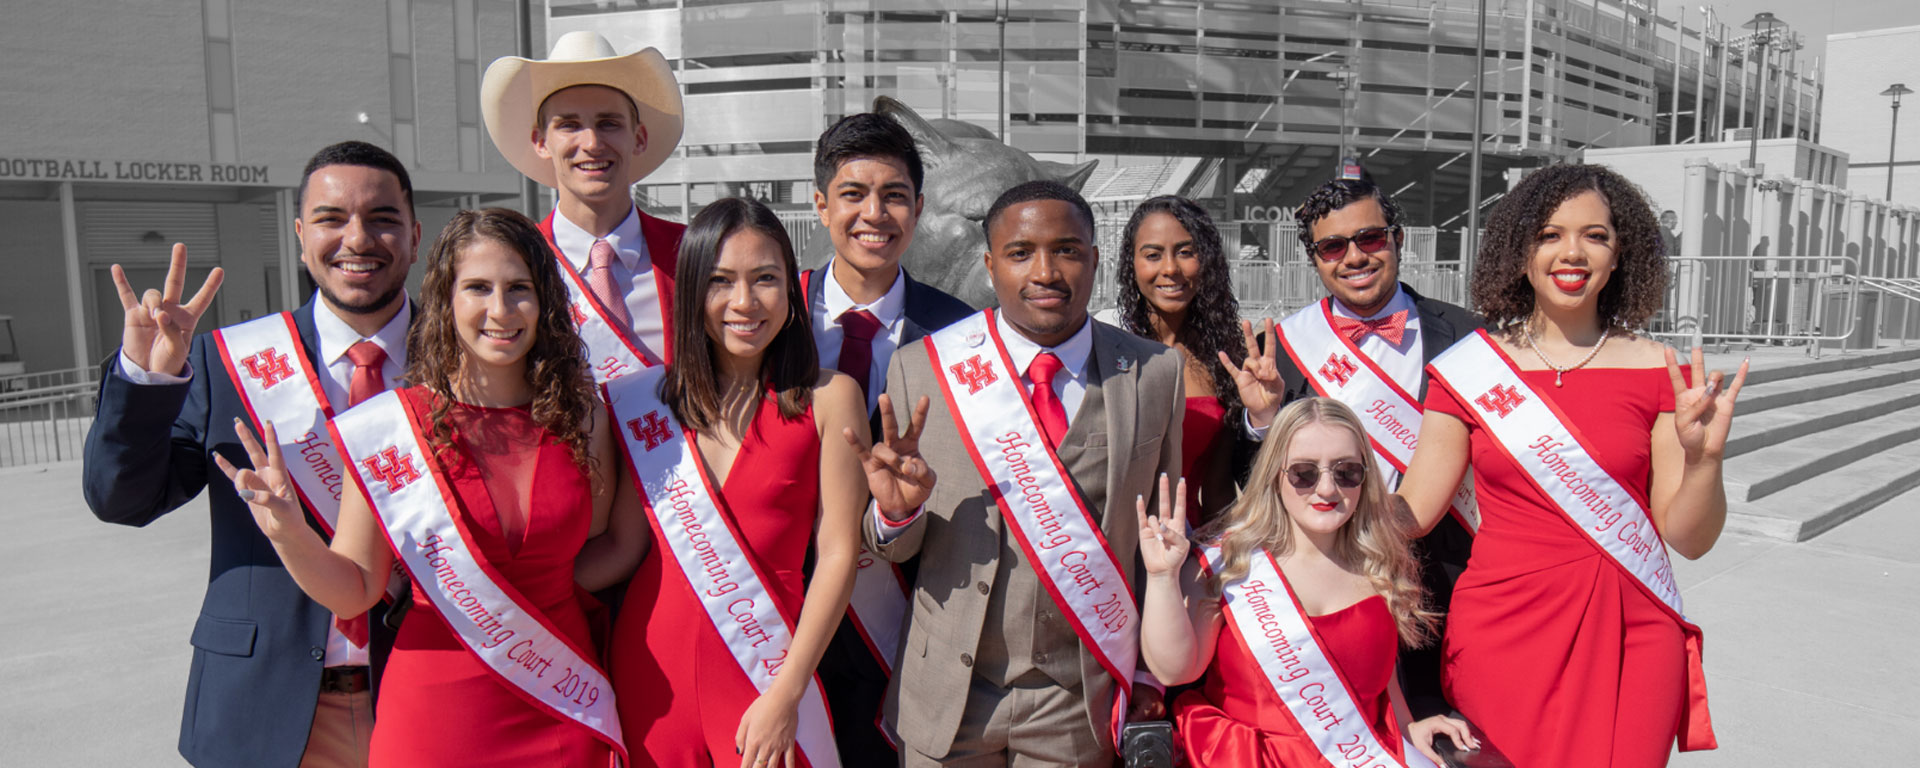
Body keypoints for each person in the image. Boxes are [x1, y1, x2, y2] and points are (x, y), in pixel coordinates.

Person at [219, 208, 632, 765]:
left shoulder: (582, 418)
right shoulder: (391, 427)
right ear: (447, 299)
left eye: (519, 289)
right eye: (478, 288)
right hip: (437, 713)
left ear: (545, 303)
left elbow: (602, 541)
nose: (500, 310)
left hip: (559, 696)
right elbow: (357, 589)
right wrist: (286, 531)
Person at [82, 141, 419, 768]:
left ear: (414, 232)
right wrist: (147, 380)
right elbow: (121, 500)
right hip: (264, 706)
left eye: (382, 217)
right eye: (330, 218)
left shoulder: (467, 365)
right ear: (299, 234)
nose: (357, 238)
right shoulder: (229, 361)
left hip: (430, 695)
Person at [1397, 163, 1745, 765]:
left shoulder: (1658, 368)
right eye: (1550, 233)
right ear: (1520, 250)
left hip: (1629, 634)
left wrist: (1704, 459)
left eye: (1596, 235)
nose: (1573, 252)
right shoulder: (1471, 369)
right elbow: (1412, 513)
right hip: (1502, 631)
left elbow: (1689, 539)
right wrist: (1309, 480)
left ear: (1619, 255)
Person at [856, 180, 1185, 766]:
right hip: (949, 692)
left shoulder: (1156, 372)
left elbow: (1164, 533)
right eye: (1020, 252)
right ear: (988, 265)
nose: (1046, 271)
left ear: (1094, 259)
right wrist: (895, 513)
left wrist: (1154, 678)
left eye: (1067, 250)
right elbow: (897, 551)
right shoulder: (923, 370)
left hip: (1078, 699)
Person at [601, 197, 868, 768]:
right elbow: (625, 548)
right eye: (721, 282)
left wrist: (788, 691)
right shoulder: (644, 402)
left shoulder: (830, 397)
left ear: (790, 294)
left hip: (766, 670)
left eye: (766, 279)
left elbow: (839, 554)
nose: (744, 303)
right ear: (693, 295)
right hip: (651, 673)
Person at [1227, 177, 1483, 725]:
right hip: (1339, 590)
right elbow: (1255, 482)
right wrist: (1263, 418)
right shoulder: (1285, 349)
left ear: (1398, 238)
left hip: (1455, 581)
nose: (1354, 257)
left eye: (1370, 238)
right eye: (1332, 246)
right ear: (1314, 258)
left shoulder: (1470, 337)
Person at [1138, 397, 1474, 766]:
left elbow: (1381, 682)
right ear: (1274, 475)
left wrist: (1408, 727)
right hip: (1254, 758)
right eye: (1304, 473)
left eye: (1346, 472)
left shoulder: (1377, 559)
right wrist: (1161, 577)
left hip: (1363, 754)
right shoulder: (1226, 563)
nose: (1327, 489)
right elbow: (1175, 669)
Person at [800, 111, 975, 763]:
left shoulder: (965, 334)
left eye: (894, 195)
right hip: (786, 617)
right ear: (820, 204)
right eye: (853, 194)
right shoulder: (771, 321)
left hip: (912, 623)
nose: (874, 214)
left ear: (919, 207)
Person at [482, 30, 687, 378]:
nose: (592, 142)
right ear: (540, 141)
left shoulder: (691, 252)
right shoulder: (513, 260)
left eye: (609, 123)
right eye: (570, 125)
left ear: (638, 138)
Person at [1114, 195, 1250, 523]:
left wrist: (1224, 562)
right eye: (1153, 255)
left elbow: (1219, 489)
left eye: (1186, 252)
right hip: (1108, 548)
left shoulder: (1227, 360)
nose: (1171, 269)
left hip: (1186, 546)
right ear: (1131, 263)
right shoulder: (1104, 347)